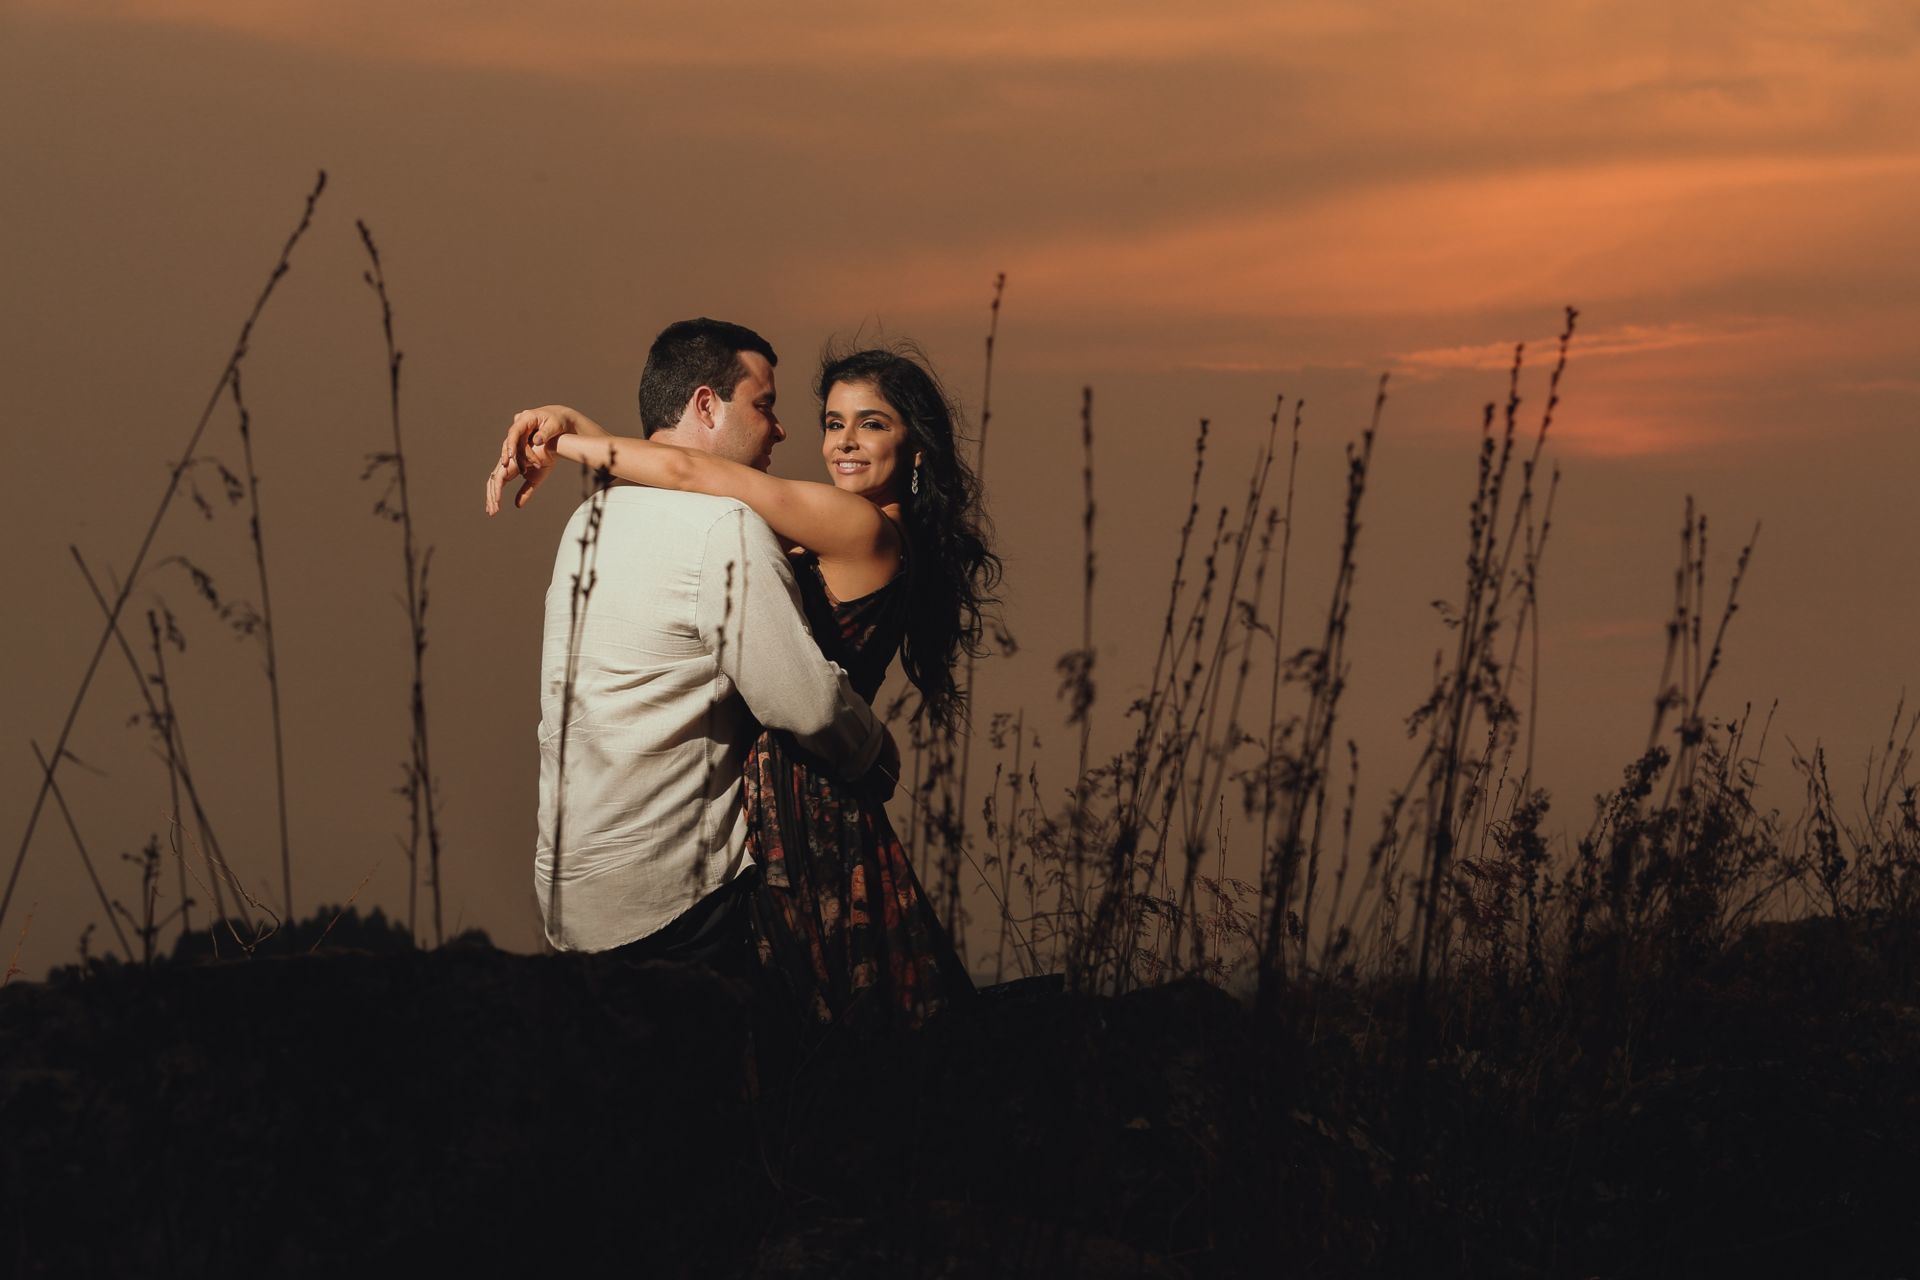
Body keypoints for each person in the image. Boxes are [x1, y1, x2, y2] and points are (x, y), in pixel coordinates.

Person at [488, 343, 997, 1030]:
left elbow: (690, 471)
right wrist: (572, 423)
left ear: (915, 448)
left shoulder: (857, 525)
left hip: (805, 799)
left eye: (872, 424)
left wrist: (571, 438)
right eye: (834, 422)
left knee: (817, 1027)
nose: (843, 442)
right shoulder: (850, 526)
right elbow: (684, 470)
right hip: (792, 791)